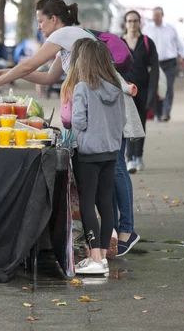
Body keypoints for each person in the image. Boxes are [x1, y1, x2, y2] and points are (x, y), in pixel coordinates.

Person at [0, 0, 143, 257]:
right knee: (111, 168)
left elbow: (31, 63)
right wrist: (8, 73)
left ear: (54, 19)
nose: (39, 27)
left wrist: (0, 81)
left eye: (41, 21)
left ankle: (126, 231)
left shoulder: (65, 33)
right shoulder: (71, 38)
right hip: (102, 102)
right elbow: (49, 76)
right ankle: (111, 235)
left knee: (116, 167)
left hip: (105, 104)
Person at [61, 38, 126, 274]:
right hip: (111, 152)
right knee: (106, 204)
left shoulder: (82, 88)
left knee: (88, 202)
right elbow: (123, 121)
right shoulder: (116, 88)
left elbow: (77, 121)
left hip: (88, 153)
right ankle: (103, 257)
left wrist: (86, 134)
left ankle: (95, 257)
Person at [122, 10, 160, 174]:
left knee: (141, 124)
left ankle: (138, 155)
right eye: (129, 21)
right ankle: (130, 157)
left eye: (135, 21)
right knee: (128, 123)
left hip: (143, 89)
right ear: (125, 23)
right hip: (124, 90)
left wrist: (152, 92)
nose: (132, 24)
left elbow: (155, 69)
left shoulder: (147, 42)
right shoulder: (119, 43)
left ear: (139, 23)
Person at [142, 7, 184, 122]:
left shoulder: (171, 28)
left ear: (162, 16)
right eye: (154, 16)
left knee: (168, 87)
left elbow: (180, 44)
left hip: (169, 62)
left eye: (158, 16)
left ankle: (165, 113)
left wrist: (183, 58)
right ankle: (157, 112)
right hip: (153, 63)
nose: (156, 18)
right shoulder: (147, 29)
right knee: (155, 87)